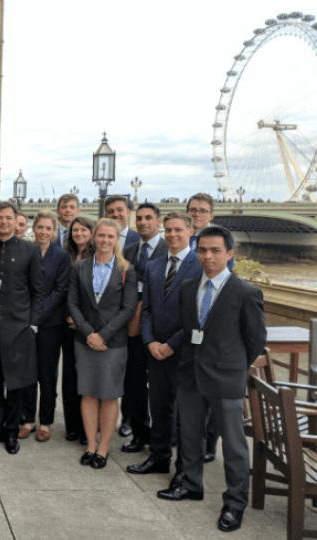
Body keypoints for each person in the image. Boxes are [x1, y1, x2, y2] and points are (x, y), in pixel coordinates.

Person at [157, 226, 266, 534]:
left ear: (230, 254)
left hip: (226, 378)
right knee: (190, 435)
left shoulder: (246, 292)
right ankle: (191, 484)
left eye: (215, 250)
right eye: (202, 250)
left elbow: (255, 340)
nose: (208, 256)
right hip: (191, 374)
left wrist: (233, 367)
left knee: (233, 446)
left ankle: (234, 503)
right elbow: (190, 330)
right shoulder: (189, 287)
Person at [128, 212, 202, 481]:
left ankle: (185, 471)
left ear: (190, 231)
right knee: (158, 408)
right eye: (168, 230)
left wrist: (170, 345)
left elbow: (199, 315)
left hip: (184, 353)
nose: (172, 235)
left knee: (186, 416)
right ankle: (159, 458)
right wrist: (149, 341)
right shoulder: (154, 266)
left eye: (178, 230)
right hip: (155, 351)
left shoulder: (200, 265)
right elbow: (145, 308)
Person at [67, 218, 137, 469]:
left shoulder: (126, 269)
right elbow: (73, 303)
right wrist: (88, 333)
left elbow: (128, 308)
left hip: (113, 343)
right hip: (84, 340)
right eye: (101, 235)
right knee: (87, 393)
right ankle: (90, 445)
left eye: (111, 236)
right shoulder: (81, 267)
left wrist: (103, 335)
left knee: (108, 395)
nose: (105, 240)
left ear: (117, 239)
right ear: (94, 237)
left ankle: (104, 448)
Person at [0, 202, 45, 455]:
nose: (4, 222)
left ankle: (12, 431)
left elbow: (38, 291)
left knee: (15, 384)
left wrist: (33, 324)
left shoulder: (30, 250)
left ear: (17, 221)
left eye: (8, 218)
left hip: (19, 329)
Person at [120, 203, 167, 452]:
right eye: (139, 218)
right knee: (135, 385)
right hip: (134, 328)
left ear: (158, 221)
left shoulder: (168, 249)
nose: (143, 222)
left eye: (149, 218)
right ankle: (139, 435)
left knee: (160, 390)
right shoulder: (127, 251)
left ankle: (161, 438)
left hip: (161, 331)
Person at [19, 210, 69, 442]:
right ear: (33, 227)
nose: (43, 232)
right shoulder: (25, 251)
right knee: (28, 372)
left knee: (47, 374)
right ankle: (28, 419)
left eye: (49, 228)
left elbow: (60, 290)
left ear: (54, 231)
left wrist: (37, 314)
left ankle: (46, 422)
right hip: (25, 322)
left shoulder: (61, 256)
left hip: (50, 323)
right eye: (40, 227)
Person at [186, 192, 229, 460]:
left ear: (211, 214)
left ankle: (210, 443)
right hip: (188, 321)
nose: (197, 214)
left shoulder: (220, 243)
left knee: (212, 391)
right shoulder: (184, 239)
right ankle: (191, 438)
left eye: (202, 210)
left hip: (210, 323)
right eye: (193, 210)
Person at [61, 216, 95, 445]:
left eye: (84, 230)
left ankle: (88, 427)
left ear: (91, 232)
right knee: (69, 377)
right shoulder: (66, 256)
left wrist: (81, 319)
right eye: (75, 230)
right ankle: (71, 425)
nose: (79, 233)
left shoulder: (97, 257)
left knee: (88, 378)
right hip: (66, 322)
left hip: (89, 324)